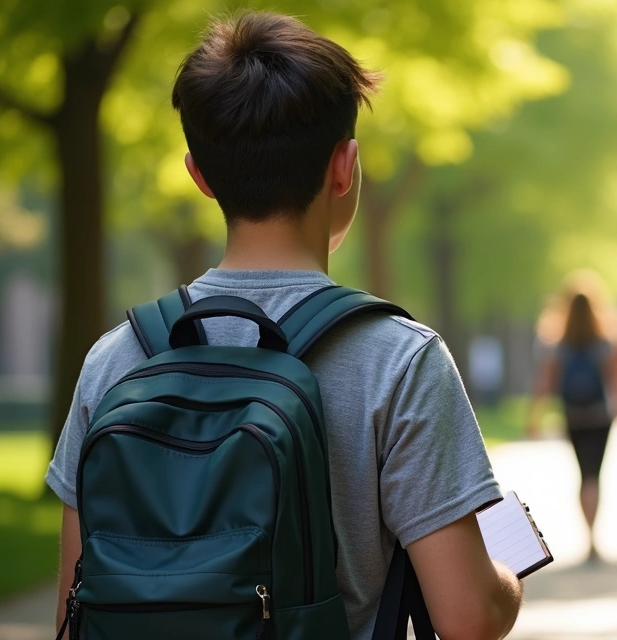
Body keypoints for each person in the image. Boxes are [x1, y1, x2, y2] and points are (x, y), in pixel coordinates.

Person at [45, 13, 521, 639]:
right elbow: (468, 619)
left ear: (200, 176)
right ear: (345, 166)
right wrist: (505, 570)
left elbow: (73, 612)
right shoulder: (399, 360)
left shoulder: (117, 359)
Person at [527, 271, 617, 563]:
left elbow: (545, 383)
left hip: (573, 414)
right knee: (594, 475)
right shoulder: (604, 340)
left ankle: (589, 536)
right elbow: (614, 379)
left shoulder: (556, 342)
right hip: (600, 415)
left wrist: (534, 416)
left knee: (581, 472)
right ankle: (593, 537)